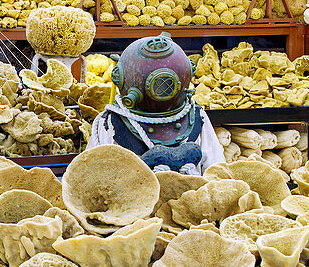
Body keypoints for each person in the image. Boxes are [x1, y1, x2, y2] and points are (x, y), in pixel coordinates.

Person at [88, 33, 223, 175]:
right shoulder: (111, 122)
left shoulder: (196, 115)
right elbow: (217, 171)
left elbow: (218, 176)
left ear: (119, 77)